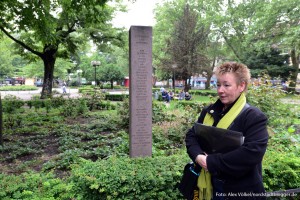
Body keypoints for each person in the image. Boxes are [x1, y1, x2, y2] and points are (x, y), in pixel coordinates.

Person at [185, 62, 269, 200]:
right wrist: (198, 156)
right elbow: (192, 135)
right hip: (210, 186)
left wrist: (211, 162)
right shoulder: (209, 111)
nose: (220, 90)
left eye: (226, 85)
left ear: (241, 86)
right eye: (218, 85)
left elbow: (252, 153)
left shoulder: (253, 116)